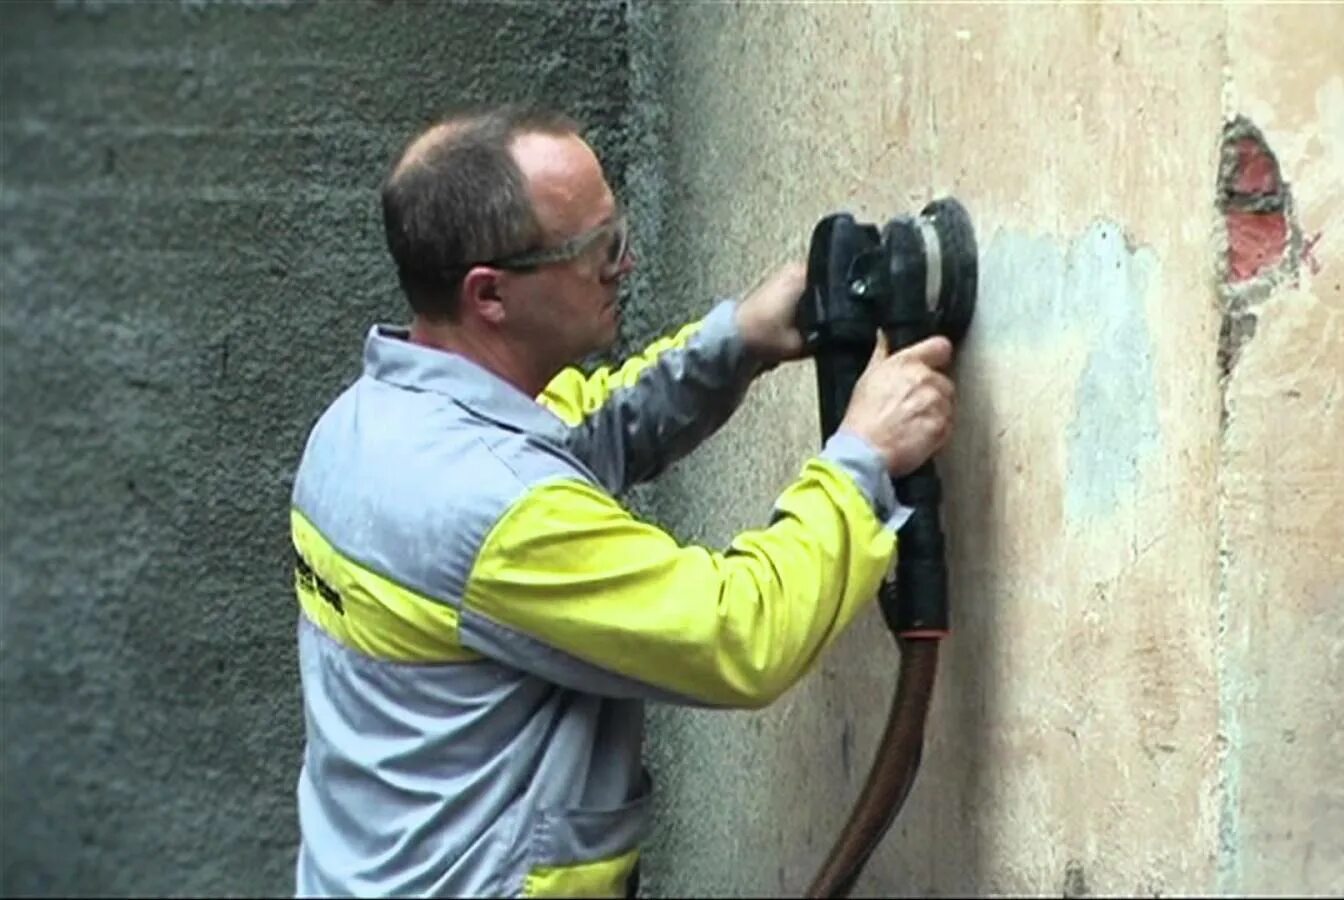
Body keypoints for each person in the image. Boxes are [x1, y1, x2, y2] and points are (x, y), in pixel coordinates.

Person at [289, 102, 957, 898]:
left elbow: (579, 430)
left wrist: (737, 340)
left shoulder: (365, 425)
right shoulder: (493, 510)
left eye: (620, 232)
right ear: (491, 295)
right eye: (597, 249)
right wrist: (864, 457)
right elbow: (737, 633)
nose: (625, 265)